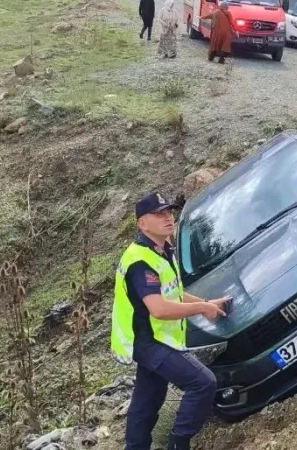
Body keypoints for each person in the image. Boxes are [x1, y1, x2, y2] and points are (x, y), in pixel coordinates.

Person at [112, 192, 232, 450]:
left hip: (157, 337)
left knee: (146, 403)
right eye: (159, 214)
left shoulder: (162, 250)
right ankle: (179, 443)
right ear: (142, 224)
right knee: (202, 383)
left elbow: (172, 292)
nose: (168, 218)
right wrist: (200, 308)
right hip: (148, 340)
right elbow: (158, 308)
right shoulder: (140, 262)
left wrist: (204, 303)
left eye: (168, 212)